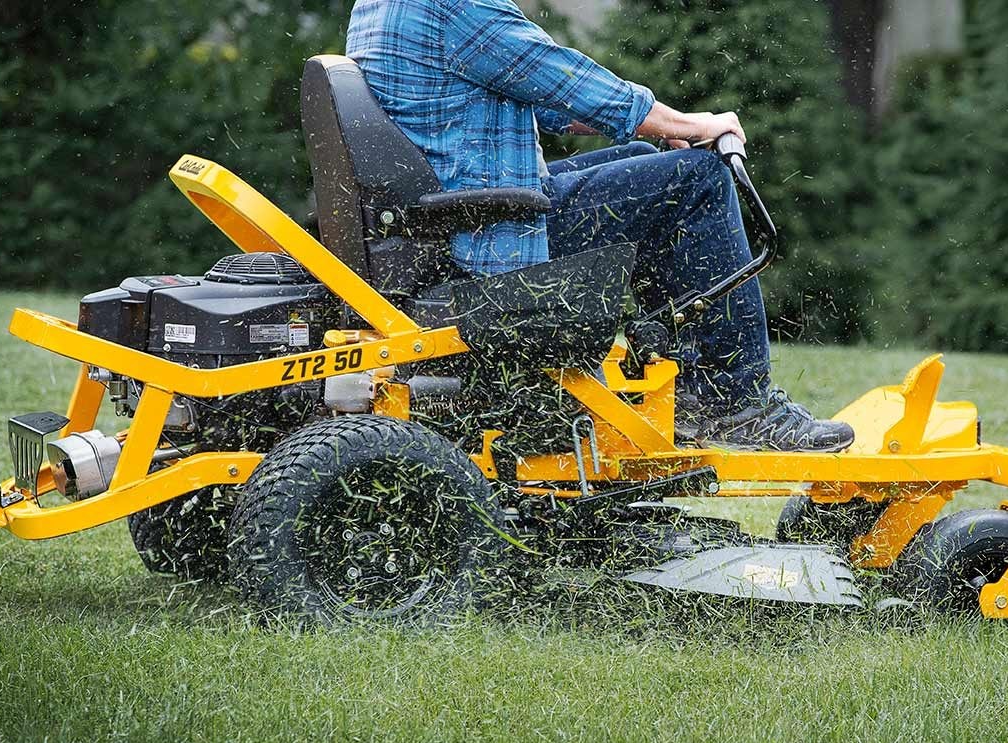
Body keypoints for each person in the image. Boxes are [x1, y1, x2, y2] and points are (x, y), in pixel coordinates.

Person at [345, 0, 854, 452]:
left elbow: (540, 96)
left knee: (640, 157)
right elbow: (564, 78)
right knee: (694, 180)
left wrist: (650, 125)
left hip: (450, 220)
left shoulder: (380, 7)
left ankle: (686, 387)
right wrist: (690, 125)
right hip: (491, 239)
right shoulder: (453, 7)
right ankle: (735, 402)